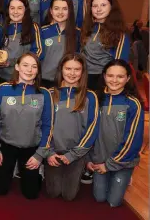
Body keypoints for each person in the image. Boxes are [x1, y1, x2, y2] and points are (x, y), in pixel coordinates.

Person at [0, 52, 53, 199]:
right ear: (17, 67)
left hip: (31, 148)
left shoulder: (44, 93)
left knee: (31, 194)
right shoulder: (3, 89)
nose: (29, 70)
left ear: (38, 70)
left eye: (34, 67)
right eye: (25, 65)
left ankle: (35, 175)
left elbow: (48, 125)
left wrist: (39, 155)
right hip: (6, 145)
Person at [88, 59, 144, 207]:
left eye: (120, 76)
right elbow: (87, 130)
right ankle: (111, 178)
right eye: (110, 75)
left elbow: (133, 139)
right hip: (99, 159)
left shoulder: (132, 103)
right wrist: (89, 158)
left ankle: (125, 176)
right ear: (104, 76)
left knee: (113, 202)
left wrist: (109, 165)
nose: (114, 80)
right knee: (99, 198)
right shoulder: (96, 99)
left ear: (128, 78)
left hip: (122, 161)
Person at [45, 53, 99, 201]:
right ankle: (45, 167)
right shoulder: (49, 94)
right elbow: (41, 126)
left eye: (77, 69)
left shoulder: (90, 96)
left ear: (83, 72)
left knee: (69, 196)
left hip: (76, 154)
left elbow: (92, 128)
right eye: (68, 68)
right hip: (53, 152)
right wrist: (48, 152)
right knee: (53, 193)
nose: (72, 73)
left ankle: (78, 169)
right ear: (61, 69)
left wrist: (73, 155)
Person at [81, 0, 130, 91]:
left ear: (111, 8)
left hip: (104, 80)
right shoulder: (86, 29)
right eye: (95, 6)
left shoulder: (119, 33)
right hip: (83, 77)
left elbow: (120, 63)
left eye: (103, 5)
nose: (98, 9)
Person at [37, 0, 81, 88]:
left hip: (66, 82)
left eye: (65, 9)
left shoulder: (78, 33)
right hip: (42, 81)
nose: (60, 12)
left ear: (70, 11)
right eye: (56, 8)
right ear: (51, 11)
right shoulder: (41, 31)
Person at [0, 0, 41, 82]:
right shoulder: (3, 27)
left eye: (20, 8)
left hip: (24, 77)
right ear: (8, 10)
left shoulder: (33, 27)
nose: (15, 12)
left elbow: (38, 51)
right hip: (2, 76)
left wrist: (13, 62)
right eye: (12, 8)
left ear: (26, 10)